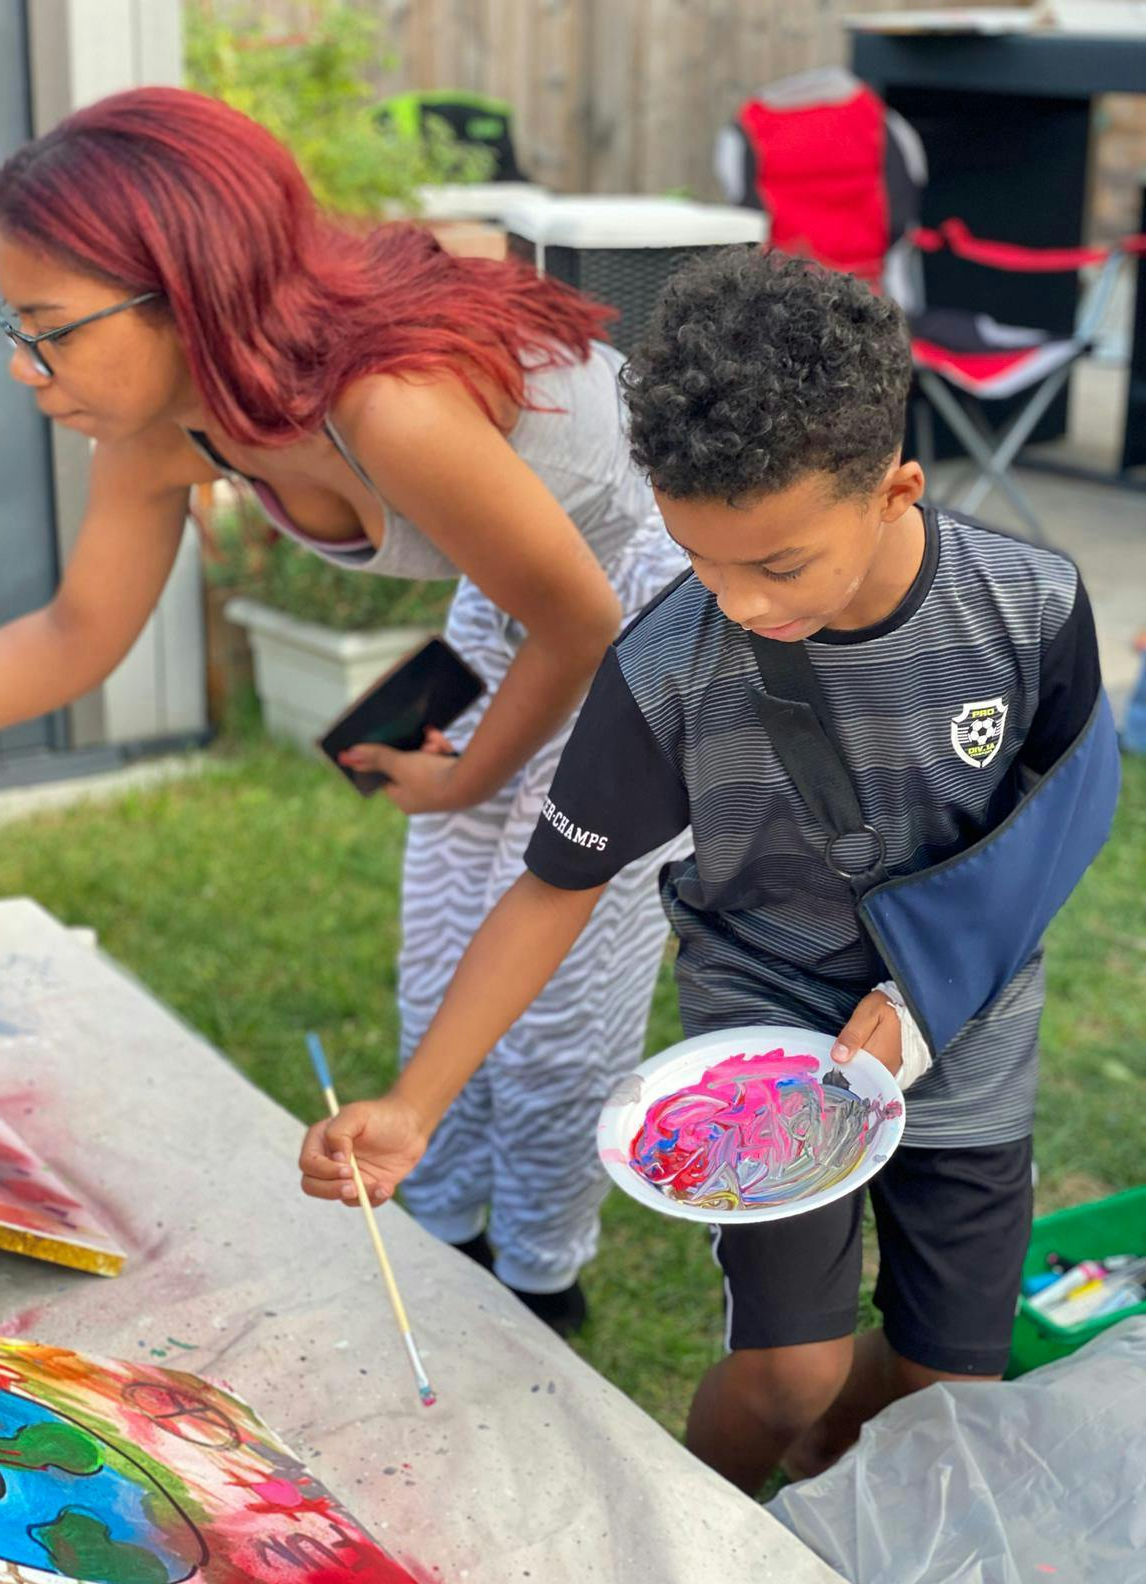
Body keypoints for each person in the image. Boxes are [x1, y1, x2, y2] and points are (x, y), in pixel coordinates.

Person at [299, 247, 1110, 1492]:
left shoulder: (1032, 607)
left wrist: (925, 1005)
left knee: (954, 1387)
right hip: (765, 1029)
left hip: (970, 1030)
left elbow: (1067, 811)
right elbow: (552, 886)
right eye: (701, 559)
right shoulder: (666, 658)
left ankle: (830, 1491)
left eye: (777, 566)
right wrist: (415, 1102)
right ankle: (709, 1526)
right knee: (789, 1372)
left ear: (897, 490)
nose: (736, 603)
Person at [0, 86, 686, 1332]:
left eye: (50, 330)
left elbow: (584, 624)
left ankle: (542, 1280)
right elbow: (77, 636)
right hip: (522, 595)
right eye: (14, 324)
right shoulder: (161, 428)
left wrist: (466, 777)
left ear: (185, 296)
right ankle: (443, 1225)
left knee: (565, 975)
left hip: (654, 596)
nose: (27, 368)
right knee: (451, 945)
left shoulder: (389, 411)